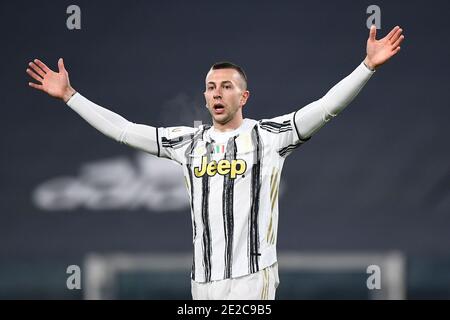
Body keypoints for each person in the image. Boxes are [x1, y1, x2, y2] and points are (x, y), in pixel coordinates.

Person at [26, 25, 404, 300]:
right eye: (210, 87)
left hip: (252, 277)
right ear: (205, 98)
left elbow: (325, 108)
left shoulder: (269, 137)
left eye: (226, 86)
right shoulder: (187, 142)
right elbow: (123, 130)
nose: (216, 93)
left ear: (244, 96)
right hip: (203, 281)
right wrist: (71, 95)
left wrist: (366, 67)